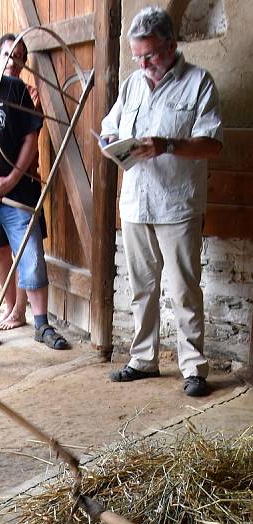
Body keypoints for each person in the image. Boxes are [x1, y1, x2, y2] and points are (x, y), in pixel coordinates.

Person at [102, 5, 223, 397]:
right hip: (136, 201)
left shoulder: (199, 83)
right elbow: (110, 126)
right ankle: (143, 359)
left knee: (184, 288)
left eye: (149, 55)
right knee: (141, 286)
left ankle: (194, 368)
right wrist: (109, 142)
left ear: (171, 45)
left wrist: (168, 144)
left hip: (178, 204)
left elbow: (213, 143)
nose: (142, 64)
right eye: (137, 56)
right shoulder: (133, 84)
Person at [0, 26, 68, 351]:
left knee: (32, 258)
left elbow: (30, 138)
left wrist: (11, 179)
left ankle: (41, 325)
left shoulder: (14, 88)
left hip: (18, 195)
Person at [0, 33, 43, 331]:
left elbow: (31, 135)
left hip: (22, 182)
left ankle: (21, 310)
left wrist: (12, 178)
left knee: (25, 249)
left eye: (20, 57)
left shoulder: (29, 93)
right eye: (9, 55)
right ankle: (9, 303)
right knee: (0, 251)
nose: (15, 62)